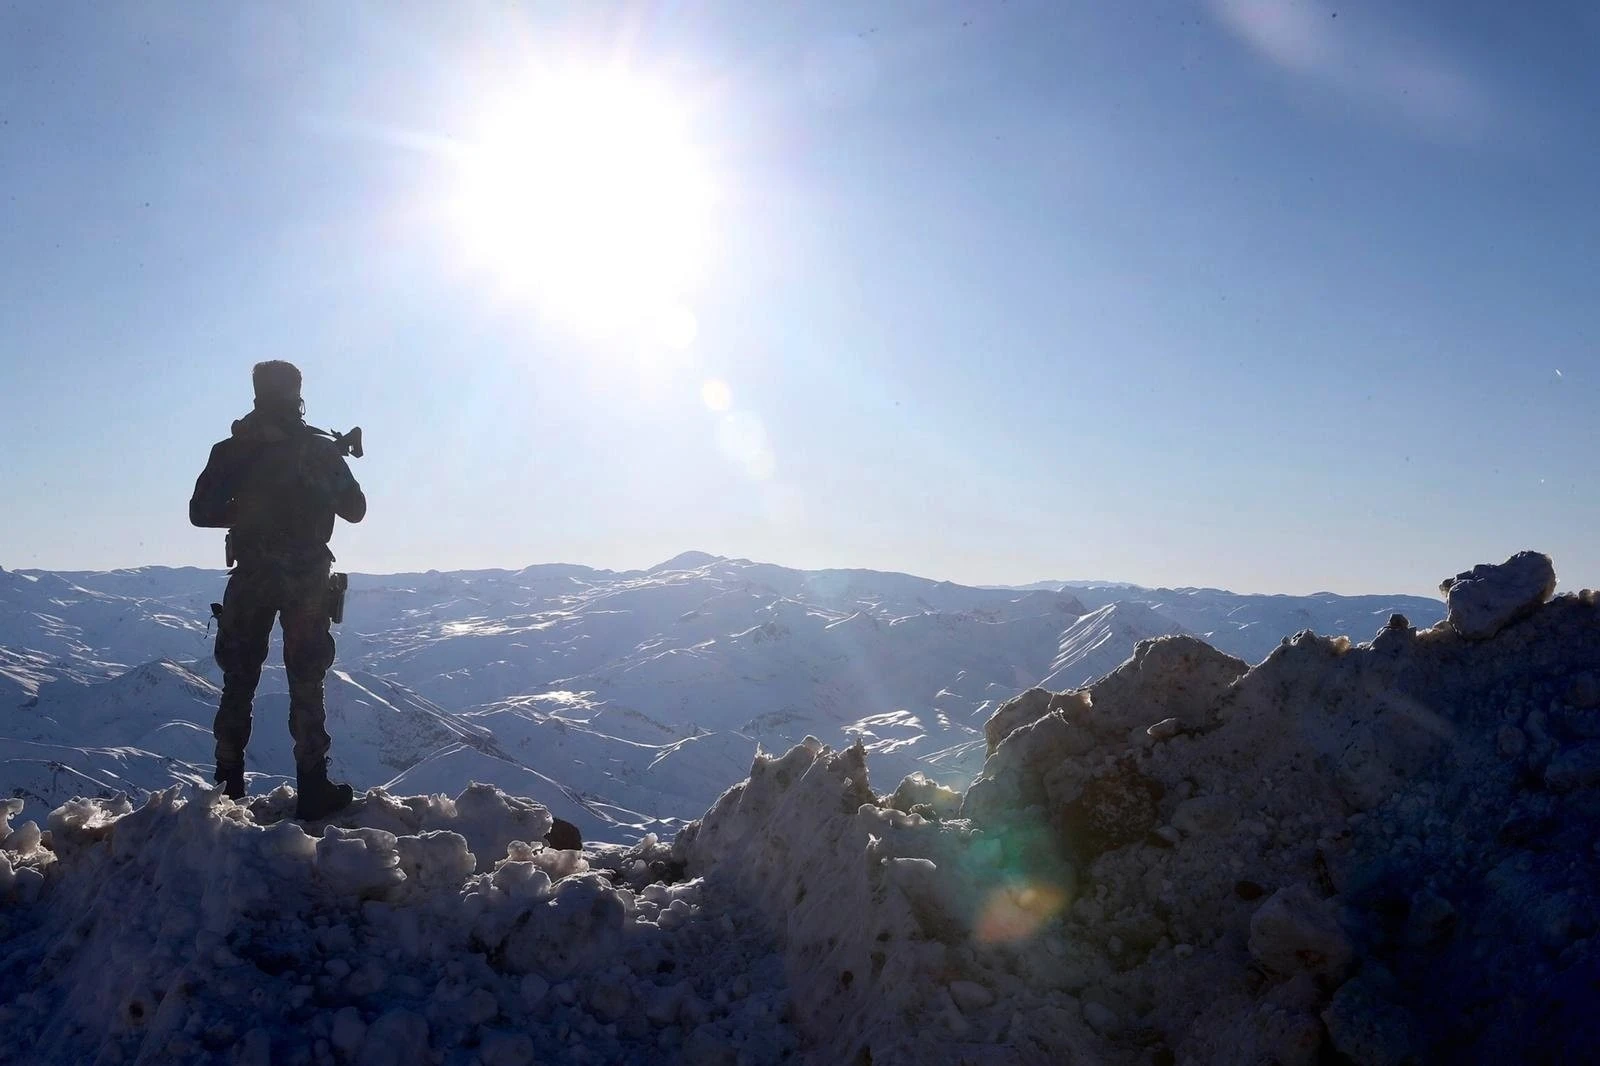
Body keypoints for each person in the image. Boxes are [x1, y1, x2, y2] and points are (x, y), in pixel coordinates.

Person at [189, 360, 366, 820]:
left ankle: (227, 786)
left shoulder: (231, 450)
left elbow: (200, 512)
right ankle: (312, 786)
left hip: (251, 575)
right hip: (305, 577)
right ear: (297, 395)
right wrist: (317, 481)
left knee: (238, 679)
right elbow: (355, 508)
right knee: (306, 679)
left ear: (256, 394)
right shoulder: (316, 448)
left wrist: (250, 509)